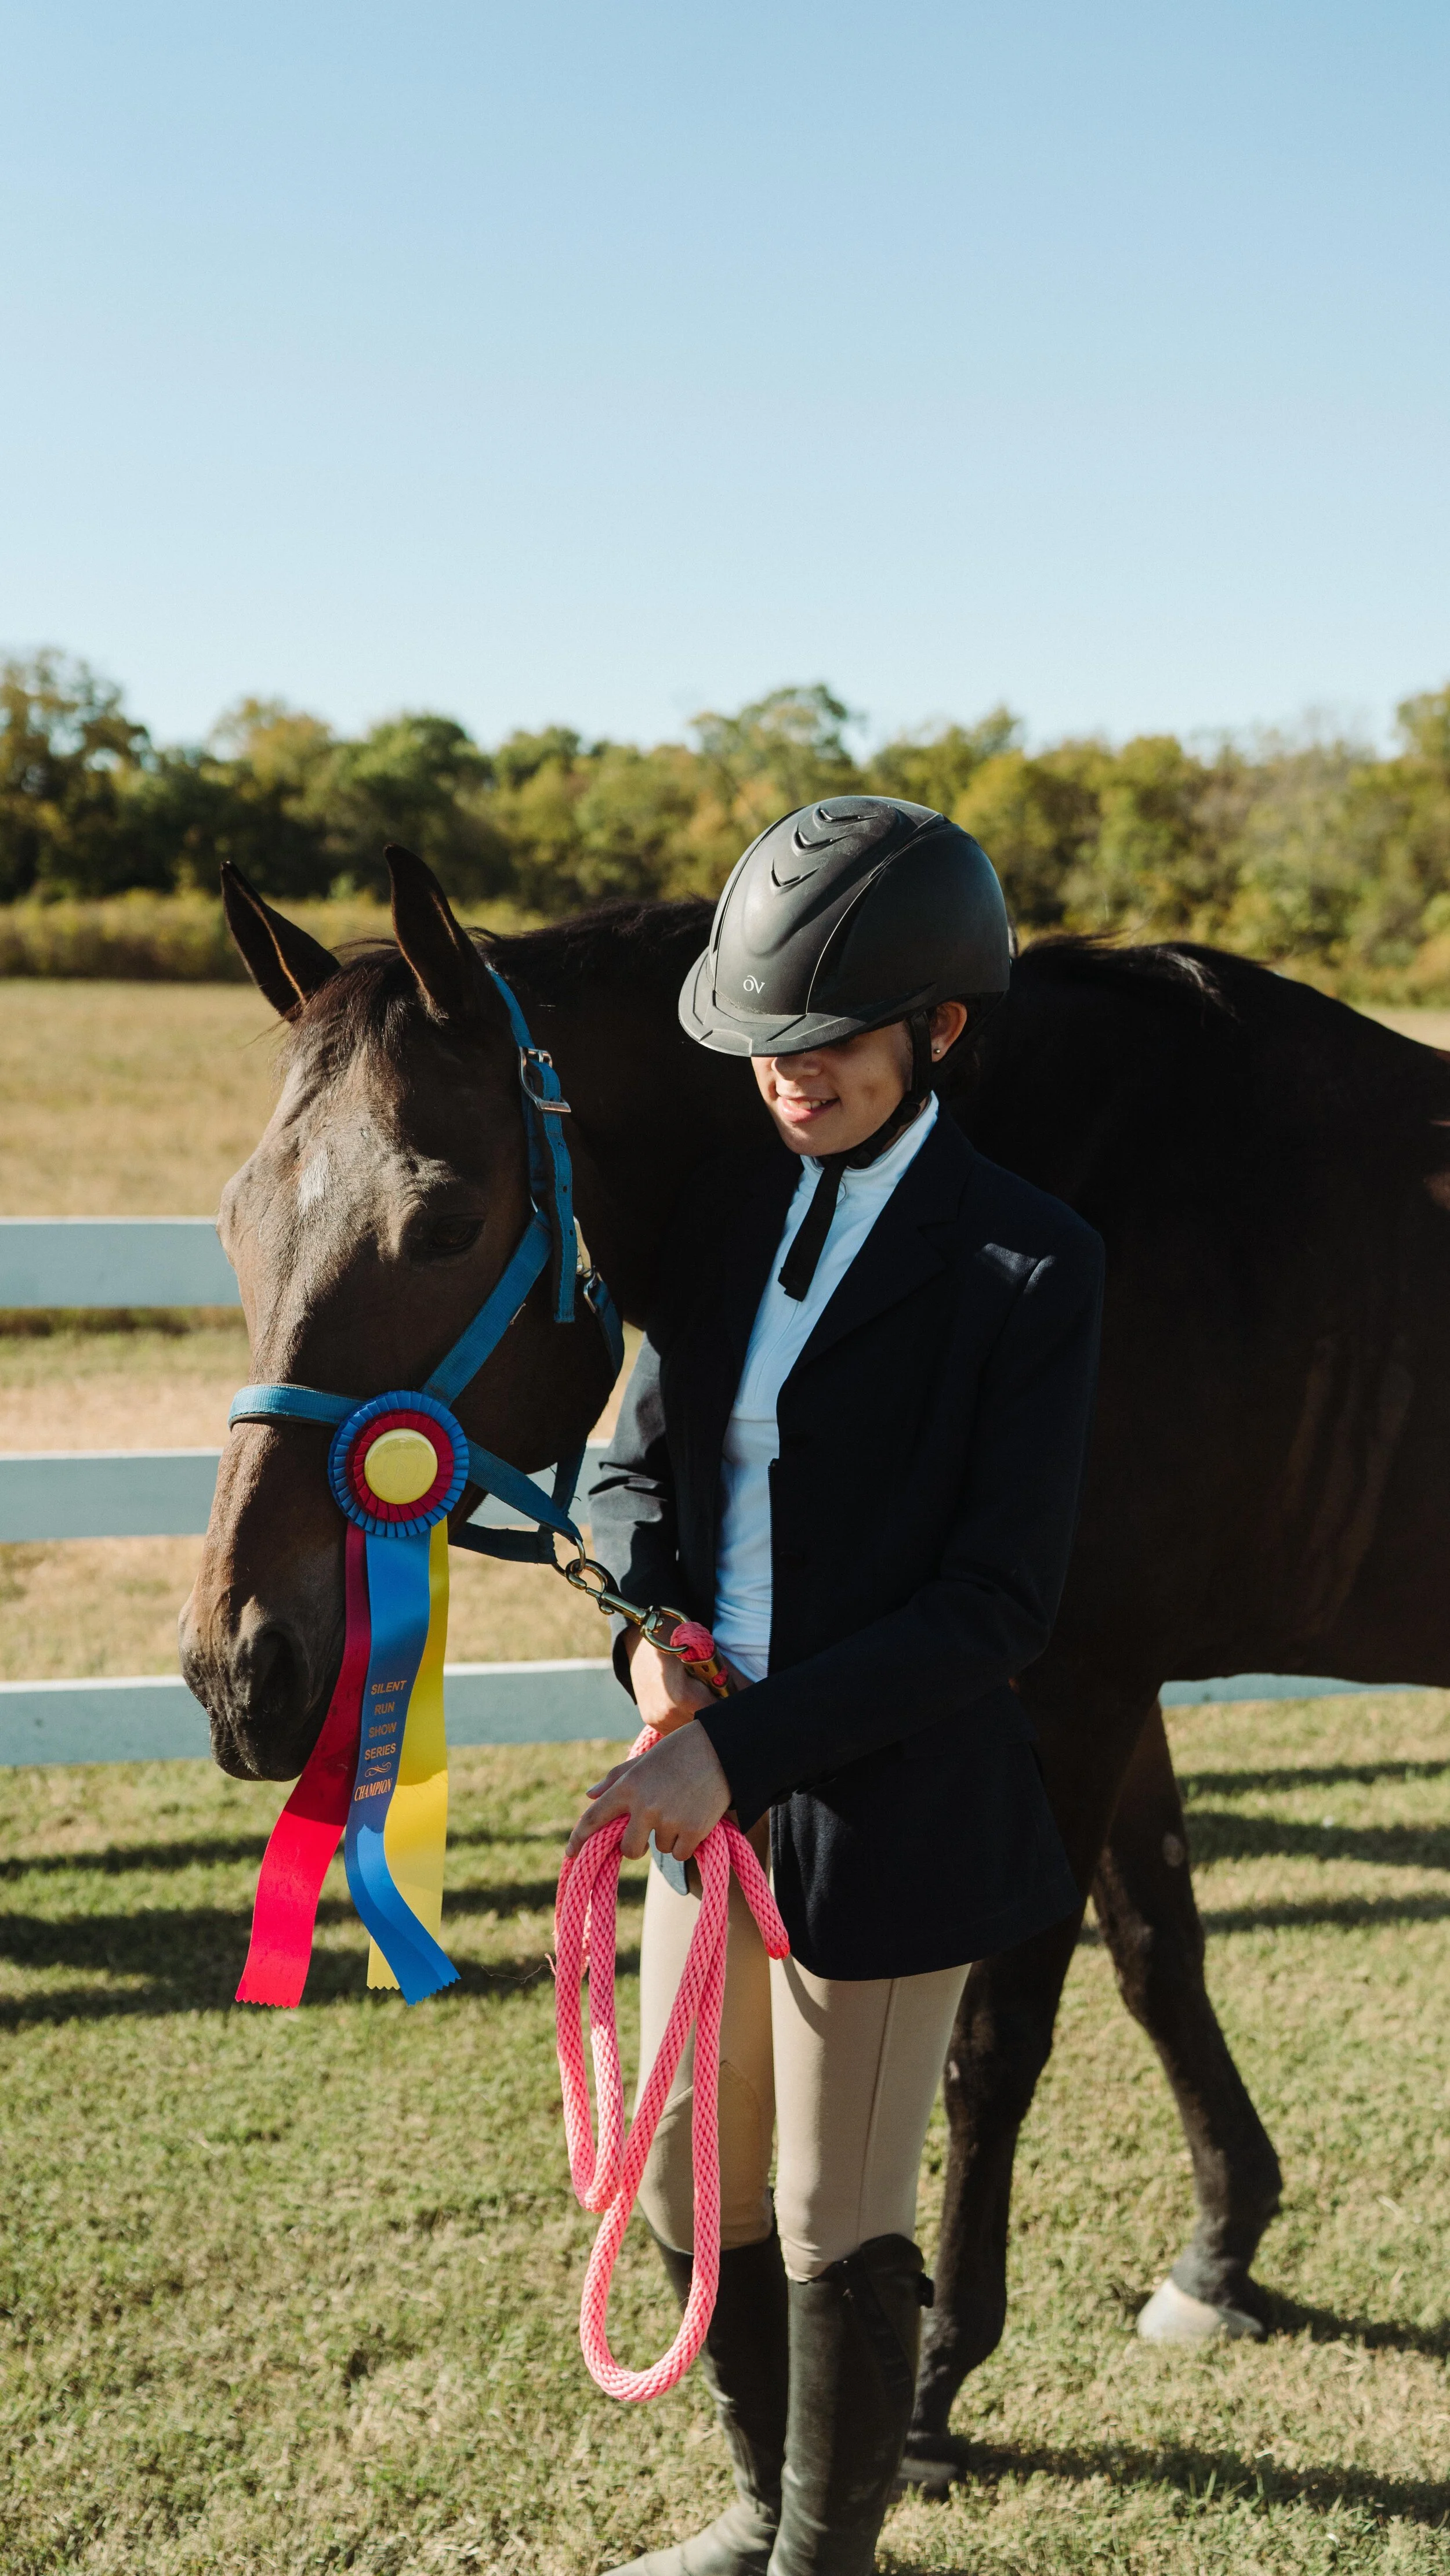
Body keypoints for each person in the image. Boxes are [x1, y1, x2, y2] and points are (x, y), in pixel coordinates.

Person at [570, 795, 1104, 2576]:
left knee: (827, 2210)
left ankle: (823, 2554)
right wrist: (646, 1630)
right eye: (762, 1046)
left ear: (936, 1029)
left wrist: (749, 1747)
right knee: (679, 2178)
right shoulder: (723, 1221)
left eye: (827, 1045)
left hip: (885, 1798)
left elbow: (996, 1606)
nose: (789, 1077)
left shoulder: (1029, 1262)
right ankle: (752, 2500)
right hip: (696, 1764)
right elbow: (631, 1470)